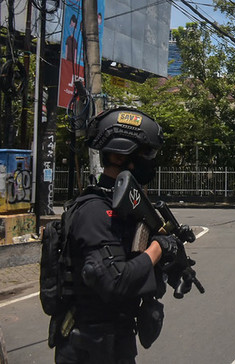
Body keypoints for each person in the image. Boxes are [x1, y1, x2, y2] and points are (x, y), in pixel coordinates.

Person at [53, 107, 181, 363]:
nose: (150, 161)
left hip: (114, 342)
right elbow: (114, 281)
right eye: (146, 153)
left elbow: (135, 262)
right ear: (122, 156)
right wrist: (158, 249)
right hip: (89, 348)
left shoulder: (122, 207)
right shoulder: (95, 211)